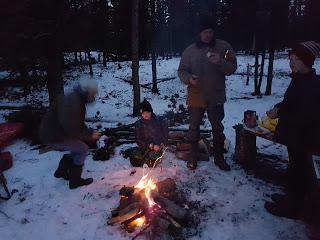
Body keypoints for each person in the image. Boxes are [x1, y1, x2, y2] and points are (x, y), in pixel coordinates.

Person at [264, 41, 320, 218]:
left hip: (304, 138)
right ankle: (291, 199)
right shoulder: (299, 79)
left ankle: (292, 208)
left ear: (307, 61)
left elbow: (305, 116)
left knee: (299, 172)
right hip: (295, 137)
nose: (291, 62)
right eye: (290, 58)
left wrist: (279, 112)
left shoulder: (312, 85)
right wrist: (279, 107)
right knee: (294, 169)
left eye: (295, 59)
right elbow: (291, 103)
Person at [178, 17, 237, 170]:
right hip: (195, 96)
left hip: (215, 95)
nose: (208, 35)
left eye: (210, 31)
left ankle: (219, 157)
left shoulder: (223, 47)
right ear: (199, 33)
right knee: (193, 128)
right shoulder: (190, 50)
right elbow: (182, 71)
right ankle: (193, 156)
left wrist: (220, 62)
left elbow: (232, 68)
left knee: (217, 128)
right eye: (205, 32)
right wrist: (189, 79)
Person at [39, 79, 101, 189]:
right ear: (86, 91)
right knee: (82, 149)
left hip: (56, 133)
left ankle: (61, 171)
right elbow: (73, 128)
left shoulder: (76, 99)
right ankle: (75, 181)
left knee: (77, 148)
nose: (94, 96)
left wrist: (89, 132)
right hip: (54, 135)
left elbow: (77, 123)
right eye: (93, 93)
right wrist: (90, 136)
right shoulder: (73, 102)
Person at [123, 99, 168, 167]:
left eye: (147, 112)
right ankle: (131, 151)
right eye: (143, 113)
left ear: (151, 112)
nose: (145, 114)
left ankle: (148, 159)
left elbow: (164, 133)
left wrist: (162, 143)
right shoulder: (139, 124)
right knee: (135, 161)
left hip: (157, 148)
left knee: (153, 159)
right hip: (144, 147)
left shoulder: (158, 121)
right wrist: (151, 146)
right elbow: (138, 139)